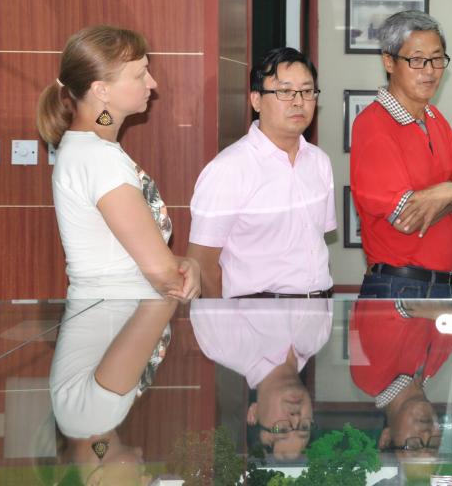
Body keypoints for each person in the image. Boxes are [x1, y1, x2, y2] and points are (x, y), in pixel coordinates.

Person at [36, 25, 199, 301]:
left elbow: (124, 260)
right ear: (101, 90)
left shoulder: (91, 145)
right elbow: (162, 274)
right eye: (140, 74)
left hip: (112, 312)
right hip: (116, 317)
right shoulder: (100, 157)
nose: (152, 83)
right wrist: (183, 269)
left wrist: (184, 263)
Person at [350, 11, 452, 298]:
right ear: (389, 62)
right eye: (416, 60)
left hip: (441, 287)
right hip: (398, 287)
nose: (430, 70)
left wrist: (445, 192)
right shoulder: (372, 124)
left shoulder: (434, 118)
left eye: (437, 59)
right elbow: (407, 219)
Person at [187, 47, 336, 298]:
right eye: (285, 91)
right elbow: (202, 264)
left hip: (318, 309)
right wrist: (222, 318)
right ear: (256, 100)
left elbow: (313, 244)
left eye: (307, 91)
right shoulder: (228, 169)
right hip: (256, 312)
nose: (298, 101)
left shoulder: (319, 162)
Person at [49, 298, 176, 485]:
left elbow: (163, 302)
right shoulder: (79, 420)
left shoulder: (100, 414)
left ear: (96, 481)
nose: (146, 480)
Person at [190, 299, 333, 461]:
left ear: (254, 413)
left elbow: (205, 283)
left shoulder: (222, 346)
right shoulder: (318, 337)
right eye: (304, 427)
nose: (295, 417)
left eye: (281, 430)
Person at [348, 299, 452, 456]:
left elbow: (391, 300)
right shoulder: (431, 369)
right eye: (433, 445)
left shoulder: (368, 378)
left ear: (386, 438)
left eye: (413, 445)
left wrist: (445, 312)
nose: (426, 434)